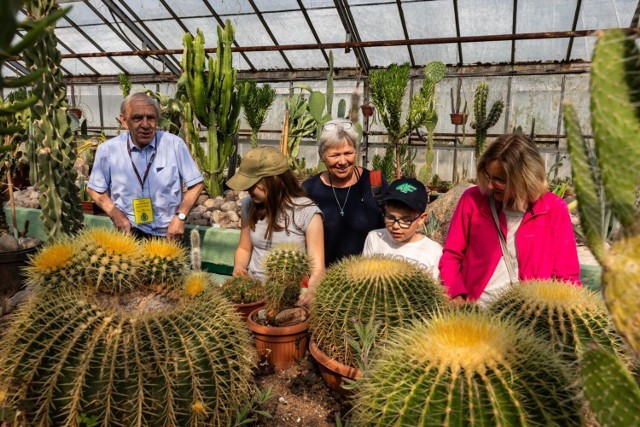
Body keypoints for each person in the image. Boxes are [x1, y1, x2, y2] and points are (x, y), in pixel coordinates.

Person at [439, 133, 581, 307]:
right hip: (476, 312)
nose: (490, 186)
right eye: (487, 176)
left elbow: (566, 276)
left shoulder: (554, 209)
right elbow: (451, 256)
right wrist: (455, 294)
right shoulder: (473, 200)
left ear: (525, 178)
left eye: (499, 180)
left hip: (529, 316)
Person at [87, 92, 204, 241]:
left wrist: (180, 217)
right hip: (128, 234)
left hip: (168, 235)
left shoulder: (174, 145)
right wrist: (116, 215)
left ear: (158, 119)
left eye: (151, 118)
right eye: (137, 118)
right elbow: (94, 189)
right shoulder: (109, 150)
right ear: (124, 120)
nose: (145, 125)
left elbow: (196, 184)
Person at [228, 146, 324, 306]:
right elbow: (244, 248)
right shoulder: (248, 205)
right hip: (254, 292)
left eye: (251, 184)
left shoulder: (307, 212)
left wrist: (312, 291)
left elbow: (317, 268)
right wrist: (239, 267)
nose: (247, 190)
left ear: (273, 181)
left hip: (290, 296)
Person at [303, 119, 387, 267]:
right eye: (335, 155)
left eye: (348, 153)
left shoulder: (374, 182)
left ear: (356, 152)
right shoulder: (310, 189)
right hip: (323, 280)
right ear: (322, 155)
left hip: (369, 277)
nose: (342, 161)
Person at [363, 178, 441, 279]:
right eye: (390, 217)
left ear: (421, 219)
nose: (395, 226)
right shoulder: (374, 238)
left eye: (406, 220)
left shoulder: (435, 252)